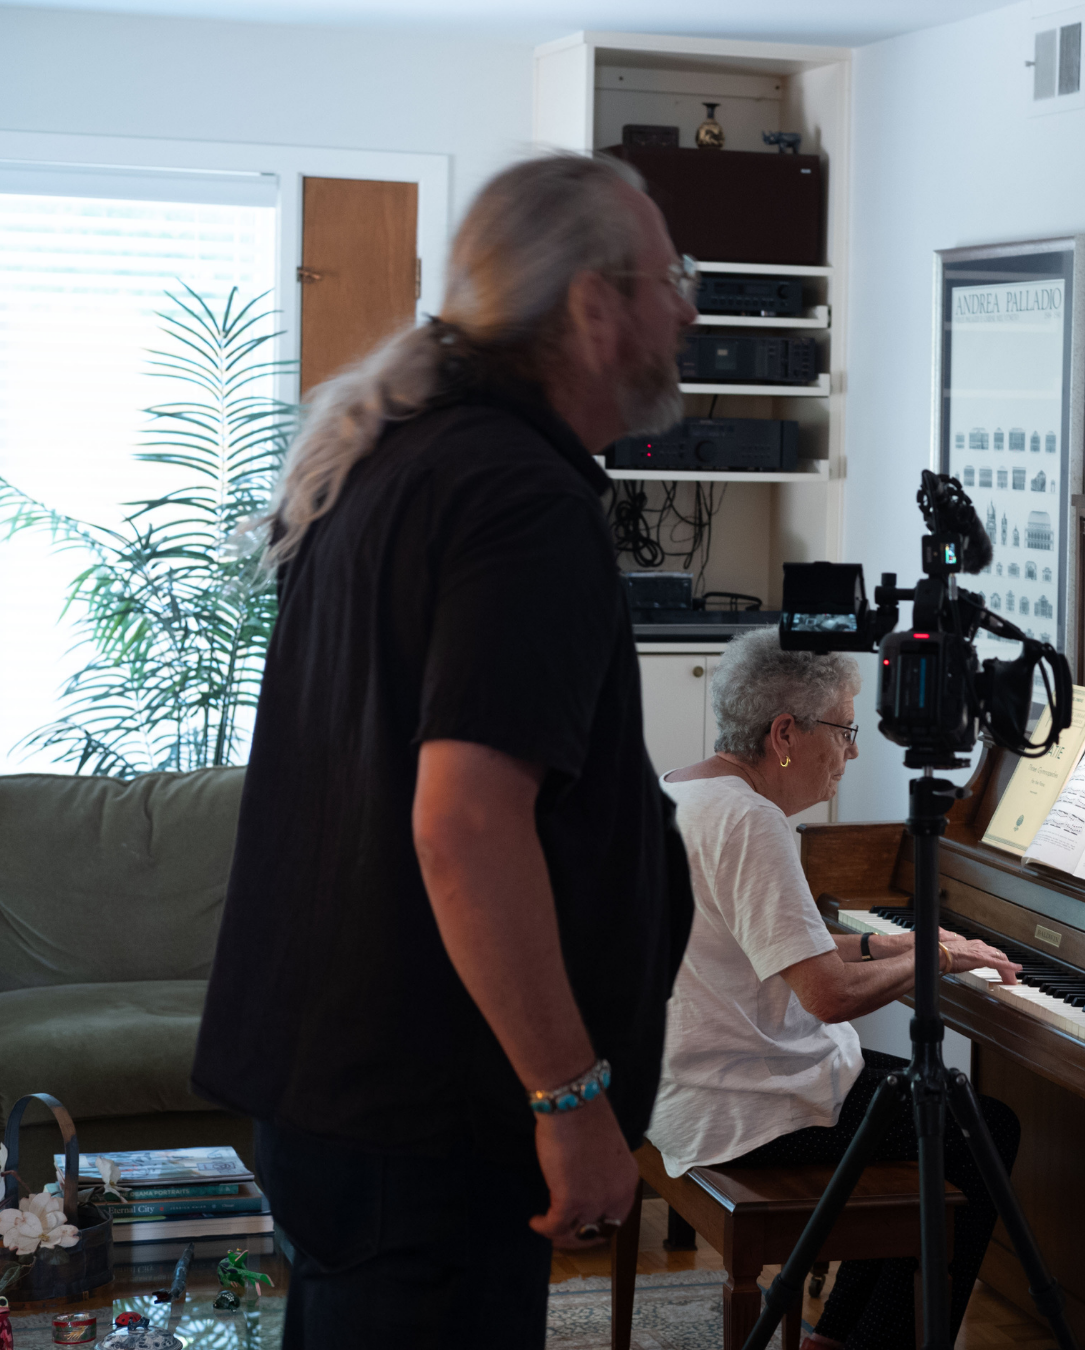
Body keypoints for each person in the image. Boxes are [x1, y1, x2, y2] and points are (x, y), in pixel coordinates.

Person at [192, 153, 698, 1346]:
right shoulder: (518, 500)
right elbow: (464, 824)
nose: (686, 312)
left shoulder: (396, 459)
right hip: (433, 1123)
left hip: (355, 1102)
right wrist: (570, 1099)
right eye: (668, 279)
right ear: (593, 306)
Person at [648, 628, 1024, 1350]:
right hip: (740, 1104)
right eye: (845, 732)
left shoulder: (683, 789)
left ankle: (839, 1335)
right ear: (785, 734)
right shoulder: (752, 820)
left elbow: (767, 941)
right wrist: (942, 960)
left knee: (927, 1112)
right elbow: (828, 996)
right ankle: (868, 1340)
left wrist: (888, 943)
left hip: (682, 1082)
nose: (851, 754)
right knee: (976, 1130)